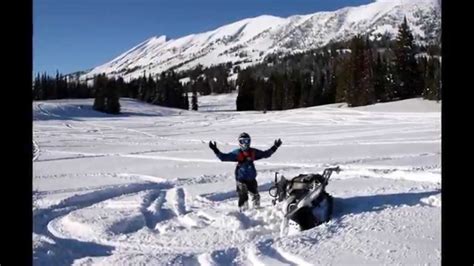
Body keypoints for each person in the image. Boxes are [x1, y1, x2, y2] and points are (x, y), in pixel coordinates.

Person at [209, 132, 282, 211]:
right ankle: (243, 212)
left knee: (255, 195)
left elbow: (265, 154)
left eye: (246, 141)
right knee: (243, 195)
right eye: (242, 141)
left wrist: (275, 147)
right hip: (241, 178)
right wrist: (215, 150)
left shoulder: (253, 152)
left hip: (251, 178)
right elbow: (224, 157)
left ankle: (256, 210)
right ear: (239, 143)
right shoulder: (237, 153)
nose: (245, 144)